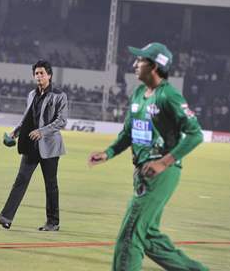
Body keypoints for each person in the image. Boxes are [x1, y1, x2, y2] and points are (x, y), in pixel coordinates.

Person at [88, 43, 209, 271]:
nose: (135, 64)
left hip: (161, 173)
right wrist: (108, 153)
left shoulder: (169, 96)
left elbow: (196, 134)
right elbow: (127, 133)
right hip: (143, 172)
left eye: (140, 60)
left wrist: (164, 162)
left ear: (154, 66)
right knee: (148, 236)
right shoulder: (137, 94)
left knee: (130, 234)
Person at [0, 60, 68, 231]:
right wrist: (15, 132)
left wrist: (42, 131)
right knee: (21, 179)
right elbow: (27, 119)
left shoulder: (59, 95)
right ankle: (6, 217)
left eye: (42, 73)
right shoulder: (31, 94)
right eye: (36, 73)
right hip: (31, 145)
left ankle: (53, 222)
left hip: (50, 147)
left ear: (49, 75)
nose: (39, 76)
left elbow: (62, 121)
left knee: (50, 184)